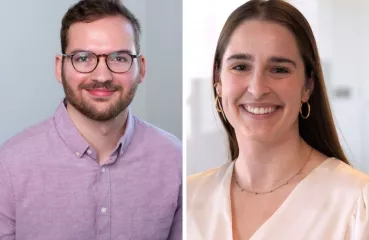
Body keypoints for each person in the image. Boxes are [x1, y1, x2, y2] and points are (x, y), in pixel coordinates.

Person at [187, 0, 369, 239]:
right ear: (218, 81)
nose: (258, 88)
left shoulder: (356, 202)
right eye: (241, 66)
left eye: (279, 69)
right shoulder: (190, 197)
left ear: (307, 86)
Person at [0, 0, 182, 239]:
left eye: (119, 58)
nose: (102, 75)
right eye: (83, 58)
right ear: (59, 67)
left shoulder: (176, 160)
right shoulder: (9, 166)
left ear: (141, 69)